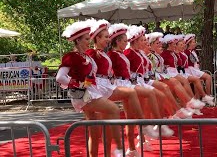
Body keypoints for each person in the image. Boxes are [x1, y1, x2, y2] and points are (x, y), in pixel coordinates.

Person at [86, 19, 156, 156]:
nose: (108, 39)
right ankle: (143, 125)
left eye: (108, 36)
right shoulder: (92, 54)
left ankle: (142, 126)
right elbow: (85, 73)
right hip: (96, 91)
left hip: (105, 89)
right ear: (97, 38)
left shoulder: (104, 54)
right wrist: (87, 88)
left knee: (106, 131)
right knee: (95, 133)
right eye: (105, 37)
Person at [56, 21, 124, 157]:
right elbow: (60, 77)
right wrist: (76, 84)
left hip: (90, 92)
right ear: (78, 40)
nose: (89, 41)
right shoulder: (71, 56)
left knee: (94, 131)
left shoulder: (86, 56)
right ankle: (120, 148)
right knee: (114, 109)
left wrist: (88, 83)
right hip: (83, 95)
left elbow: (89, 77)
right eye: (86, 39)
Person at [184, 34, 215, 105]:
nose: (195, 43)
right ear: (189, 43)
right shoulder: (186, 52)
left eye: (195, 42)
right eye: (193, 42)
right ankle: (207, 96)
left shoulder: (193, 51)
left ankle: (197, 101)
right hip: (190, 69)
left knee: (198, 83)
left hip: (195, 69)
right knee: (208, 77)